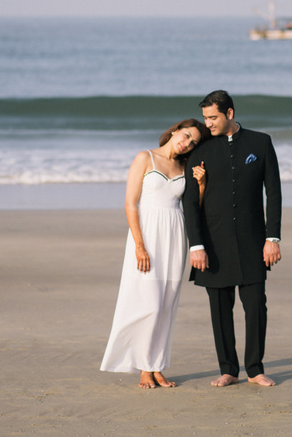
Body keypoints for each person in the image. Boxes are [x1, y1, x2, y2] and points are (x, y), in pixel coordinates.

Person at [100, 118, 210, 389]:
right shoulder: (145, 157)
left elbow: (192, 207)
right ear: (174, 131)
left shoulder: (184, 167)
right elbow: (130, 203)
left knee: (166, 305)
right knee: (147, 303)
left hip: (175, 236)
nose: (186, 143)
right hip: (147, 236)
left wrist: (202, 184)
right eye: (185, 136)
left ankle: (156, 366)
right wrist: (139, 245)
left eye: (193, 142)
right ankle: (143, 368)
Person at [183, 90, 282, 387]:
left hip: (253, 241)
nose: (208, 124)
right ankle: (228, 368)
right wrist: (196, 245)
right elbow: (190, 201)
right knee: (219, 309)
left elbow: (273, 193)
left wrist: (272, 237)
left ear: (229, 113)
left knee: (255, 306)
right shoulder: (199, 150)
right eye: (205, 118)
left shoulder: (260, 142)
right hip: (213, 242)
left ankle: (255, 369)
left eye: (212, 117)